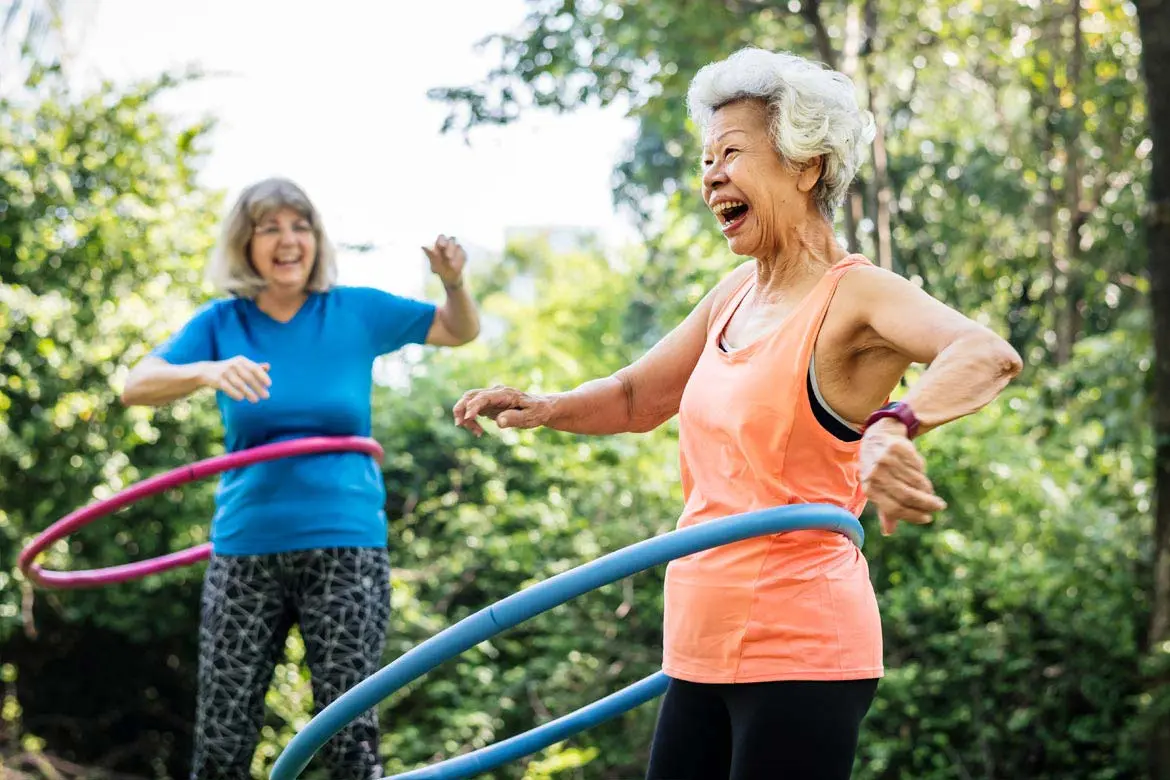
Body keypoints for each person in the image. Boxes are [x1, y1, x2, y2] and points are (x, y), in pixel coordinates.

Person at [452, 47, 1022, 780]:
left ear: (805, 164)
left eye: (731, 153)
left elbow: (986, 352)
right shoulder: (734, 294)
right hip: (695, 646)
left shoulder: (857, 295)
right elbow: (636, 397)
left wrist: (896, 423)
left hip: (802, 649)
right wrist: (546, 406)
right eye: (705, 158)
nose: (709, 175)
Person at [120, 177, 480, 780]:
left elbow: (458, 329)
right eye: (270, 227)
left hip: (346, 548)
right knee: (222, 738)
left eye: (300, 225)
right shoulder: (221, 323)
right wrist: (206, 371)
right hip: (245, 550)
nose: (288, 240)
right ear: (246, 242)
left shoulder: (355, 310)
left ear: (316, 238)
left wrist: (453, 281)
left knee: (347, 739)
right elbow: (135, 384)